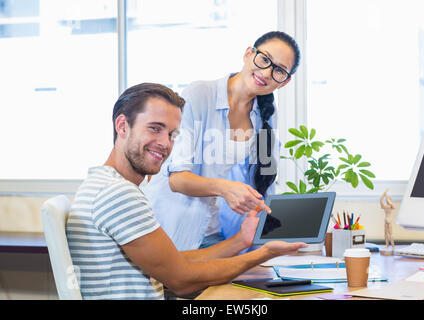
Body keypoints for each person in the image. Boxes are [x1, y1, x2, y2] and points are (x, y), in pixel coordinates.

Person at [66, 83, 306, 300]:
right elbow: (182, 280)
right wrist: (262, 254)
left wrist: (241, 240)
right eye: (154, 129)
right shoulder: (118, 194)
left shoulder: (104, 185)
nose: (165, 143)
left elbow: (177, 263)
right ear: (122, 126)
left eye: (172, 134)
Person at [145, 31, 301, 251]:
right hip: (172, 228)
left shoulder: (267, 114)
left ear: (284, 82)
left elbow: (263, 185)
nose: (266, 73)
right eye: (264, 59)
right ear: (248, 54)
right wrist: (225, 188)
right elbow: (177, 178)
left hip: (219, 232)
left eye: (278, 71)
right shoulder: (200, 94)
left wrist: (263, 246)